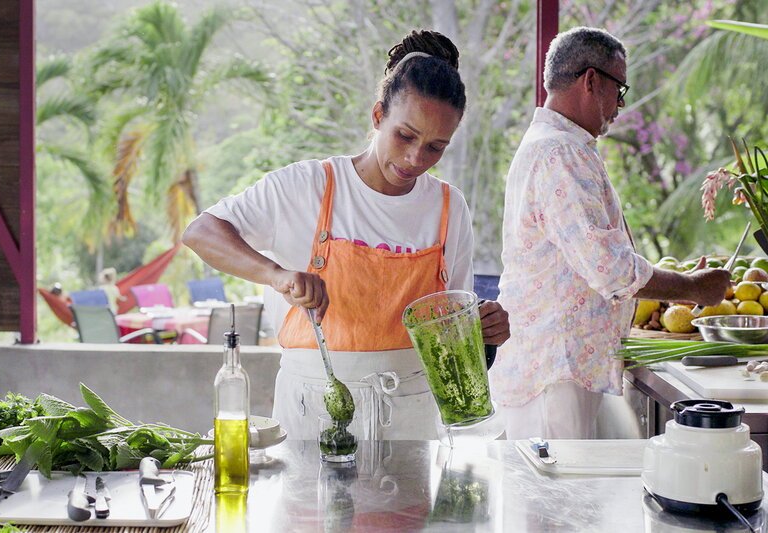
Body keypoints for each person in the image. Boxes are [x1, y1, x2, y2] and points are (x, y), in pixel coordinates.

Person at [183, 29, 509, 440]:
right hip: (312, 412)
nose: (415, 158)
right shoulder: (307, 186)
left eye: (435, 147)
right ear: (378, 116)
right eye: (405, 135)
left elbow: (452, 333)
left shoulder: (449, 207)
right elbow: (201, 232)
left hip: (414, 419)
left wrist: (485, 330)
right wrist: (276, 275)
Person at [492, 27, 730, 440]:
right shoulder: (560, 153)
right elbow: (611, 270)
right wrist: (694, 288)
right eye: (619, 90)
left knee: (563, 501)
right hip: (555, 374)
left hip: (559, 369)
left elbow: (600, 258)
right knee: (558, 503)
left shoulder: (557, 145)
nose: (621, 106)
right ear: (591, 81)